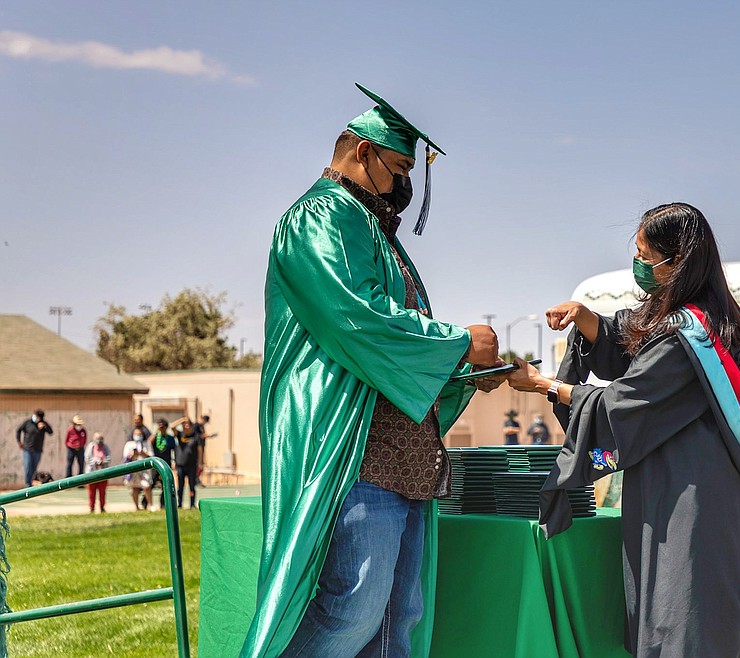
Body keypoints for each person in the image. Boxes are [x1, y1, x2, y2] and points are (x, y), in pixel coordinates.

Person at [241, 83, 502, 658]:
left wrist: (469, 373)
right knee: (348, 613)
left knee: (394, 623)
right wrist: (459, 343)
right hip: (353, 452)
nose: (404, 184)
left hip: (402, 457)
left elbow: (395, 350)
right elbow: (357, 318)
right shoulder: (319, 217)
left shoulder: (373, 229)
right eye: (399, 166)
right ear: (362, 152)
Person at [507, 203, 740, 657]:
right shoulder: (710, 319)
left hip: (693, 497)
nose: (638, 264)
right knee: (671, 614)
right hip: (682, 485)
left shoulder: (690, 339)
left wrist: (545, 385)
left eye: (646, 255)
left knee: (685, 620)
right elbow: (631, 336)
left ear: (676, 261)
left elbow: (625, 402)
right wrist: (584, 316)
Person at [16, 409, 52, 488]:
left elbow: (50, 432)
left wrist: (44, 426)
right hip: (27, 449)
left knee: (34, 468)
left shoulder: (43, 423)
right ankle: (27, 484)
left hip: (38, 450)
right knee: (28, 466)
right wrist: (19, 442)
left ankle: (31, 482)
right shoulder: (28, 423)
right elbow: (18, 430)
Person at [171, 417, 202, 509]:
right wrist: (182, 420)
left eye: (188, 424)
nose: (186, 426)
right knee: (180, 486)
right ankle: (179, 503)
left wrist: (200, 463)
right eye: (184, 424)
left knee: (192, 486)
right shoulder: (180, 435)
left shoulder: (196, 436)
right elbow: (172, 427)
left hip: (192, 465)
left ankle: (192, 504)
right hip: (180, 464)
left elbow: (200, 450)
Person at [122, 429, 153, 511]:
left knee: (147, 486)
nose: (138, 436)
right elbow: (126, 457)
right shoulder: (129, 444)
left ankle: (150, 505)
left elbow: (152, 456)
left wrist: (143, 453)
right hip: (134, 468)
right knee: (135, 488)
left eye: (140, 434)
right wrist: (133, 455)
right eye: (136, 434)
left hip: (145, 468)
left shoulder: (147, 444)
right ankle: (136, 507)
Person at [151, 418, 176, 509]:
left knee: (165, 485)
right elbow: (149, 443)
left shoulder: (170, 438)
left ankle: (163, 504)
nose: (161, 428)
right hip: (155, 465)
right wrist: (156, 431)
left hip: (166, 464)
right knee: (151, 483)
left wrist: (174, 462)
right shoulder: (155, 437)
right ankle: (146, 502)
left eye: (163, 426)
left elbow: (174, 450)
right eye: (159, 426)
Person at [84, 432, 112, 512]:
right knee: (91, 492)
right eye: (97, 439)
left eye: (101, 439)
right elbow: (87, 458)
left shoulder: (105, 447)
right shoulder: (91, 447)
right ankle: (91, 508)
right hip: (92, 473)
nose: (99, 441)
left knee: (102, 492)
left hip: (103, 473)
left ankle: (102, 507)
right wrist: (95, 461)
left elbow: (109, 458)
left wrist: (103, 461)